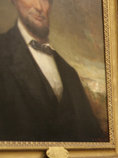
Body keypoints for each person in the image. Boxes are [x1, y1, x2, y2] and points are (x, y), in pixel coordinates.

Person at [0, 0, 105, 142]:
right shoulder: (3, 51)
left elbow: (92, 135)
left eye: (45, 0)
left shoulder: (70, 73)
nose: (39, 7)